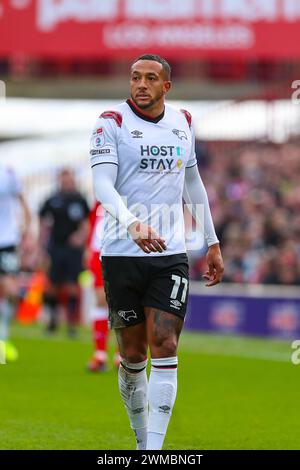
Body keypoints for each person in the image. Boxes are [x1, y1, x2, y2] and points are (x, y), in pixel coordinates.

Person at [89, 54, 224, 450]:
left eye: (150, 78)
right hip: (121, 251)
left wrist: (212, 240)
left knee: (165, 343)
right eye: (135, 77)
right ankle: (141, 437)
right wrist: (132, 223)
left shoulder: (183, 121)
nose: (141, 84)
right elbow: (102, 185)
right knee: (133, 357)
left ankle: (154, 451)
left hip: (170, 253)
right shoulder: (110, 123)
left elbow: (193, 183)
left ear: (167, 86)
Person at [39, 169, 90, 337]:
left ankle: (72, 323)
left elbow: (86, 223)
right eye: (64, 179)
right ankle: (53, 320)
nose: (66, 182)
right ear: (60, 180)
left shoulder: (80, 199)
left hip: (73, 249)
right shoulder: (52, 199)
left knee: (72, 285)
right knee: (52, 285)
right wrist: (42, 245)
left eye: (69, 179)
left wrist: (81, 237)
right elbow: (43, 222)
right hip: (55, 247)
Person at [0, 163, 31, 361]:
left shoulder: (8, 172)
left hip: (7, 241)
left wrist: (27, 232)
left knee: (11, 290)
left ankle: (4, 337)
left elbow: (23, 202)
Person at [86, 201, 121, 371]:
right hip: (98, 253)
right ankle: (100, 354)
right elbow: (92, 226)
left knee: (122, 301)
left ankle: (121, 354)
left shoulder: (128, 195)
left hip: (121, 252)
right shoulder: (99, 202)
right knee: (101, 300)